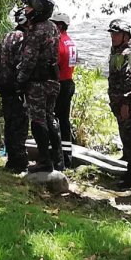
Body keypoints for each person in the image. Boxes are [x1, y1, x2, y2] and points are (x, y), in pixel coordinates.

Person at [15, 0, 63, 173]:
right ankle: (58, 160)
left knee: (38, 120)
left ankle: (45, 160)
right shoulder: (52, 27)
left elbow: (29, 59)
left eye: (28, 6)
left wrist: (20, 81)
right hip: (52, 80)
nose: (25, 9)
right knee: (50, 117)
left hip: (38, 82)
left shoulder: (36, 30)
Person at [0, 8, 29, 172]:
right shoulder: (23, 39)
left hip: (3, 86)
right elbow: (22, 64)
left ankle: (11, 160)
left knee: (9, 122)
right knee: (19, 124)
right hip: (15, 88)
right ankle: (19, 161)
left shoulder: (7, 36)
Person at [108, 19, 131, 189]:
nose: (113, 37)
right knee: (125, 137)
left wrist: (126, 104)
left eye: (117, 34)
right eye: (112, 34)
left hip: (127, 105)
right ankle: (128, 164)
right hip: (119, 103)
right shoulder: (116, 51)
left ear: (126, 36)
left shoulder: (127, 54)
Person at [52, 10, 78, 168]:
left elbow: (54, 65)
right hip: (69, 82)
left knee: (53, 119)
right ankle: (67, 156)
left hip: (60, 84)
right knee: (64, 120)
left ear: (60, 26)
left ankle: (56, 156)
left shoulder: (59, 43)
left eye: (53, 24)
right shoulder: (71, 42)